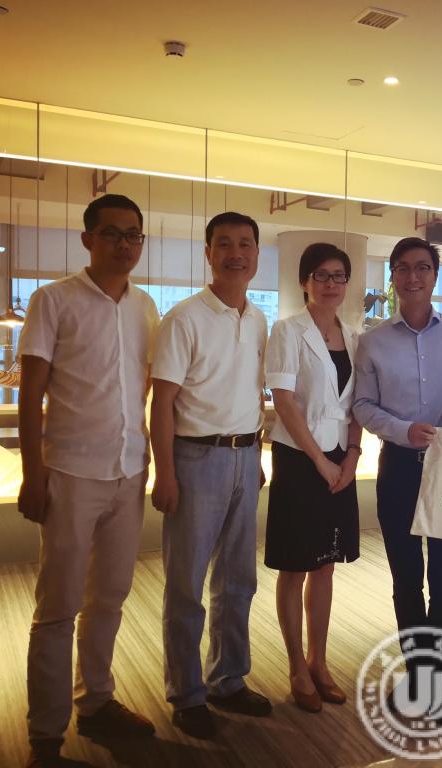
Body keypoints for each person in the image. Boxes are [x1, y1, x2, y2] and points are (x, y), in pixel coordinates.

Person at [18, 193, 159, 768]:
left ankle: (96, 702)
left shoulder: (145, 307)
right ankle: (45, 736)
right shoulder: (53, 300)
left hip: (129, 471)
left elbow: (146, 386)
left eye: (133, 235)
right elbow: (30, 392)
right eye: (112, 234)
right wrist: (32, 474)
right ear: (88, 240)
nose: (124, 244)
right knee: (58, 605)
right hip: (71, 472)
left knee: (109, 598)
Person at [150, 211, 272, 740]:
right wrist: (165, 473)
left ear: (257, 255)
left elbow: (253, 394)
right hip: (195, 459)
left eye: (245, 244)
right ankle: (186, 692)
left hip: (246, 455)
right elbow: (162, 403)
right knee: (187, 583)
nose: (236, 253)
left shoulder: (259, 319)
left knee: (238, 580)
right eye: (225, 244)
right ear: (208, 253)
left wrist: (257, 455)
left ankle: (228, 678)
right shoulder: (184, 318)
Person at [353, 236, 442, 706]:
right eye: (404, 268)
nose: (413, 277)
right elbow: (363, 405)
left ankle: (437, 676)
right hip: (399, 469)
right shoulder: (372, 341)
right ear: (392, 276)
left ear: (435, 274)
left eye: (423, 267)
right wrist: (403, 430)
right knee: (406, 578)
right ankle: (417, 672)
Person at [264, 242, 362, 713]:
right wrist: (321, 461)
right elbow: (284, 401)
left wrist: (353, 456)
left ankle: (318, 661)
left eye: (338, 276)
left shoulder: (356, 338)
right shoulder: (287, 330)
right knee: (295, 565)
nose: (330, 284)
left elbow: (359, 404)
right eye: (320, 275)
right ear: (304, 281)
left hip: (341, 456)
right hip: (300, 458)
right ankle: (295, 666)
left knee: (325, 564)